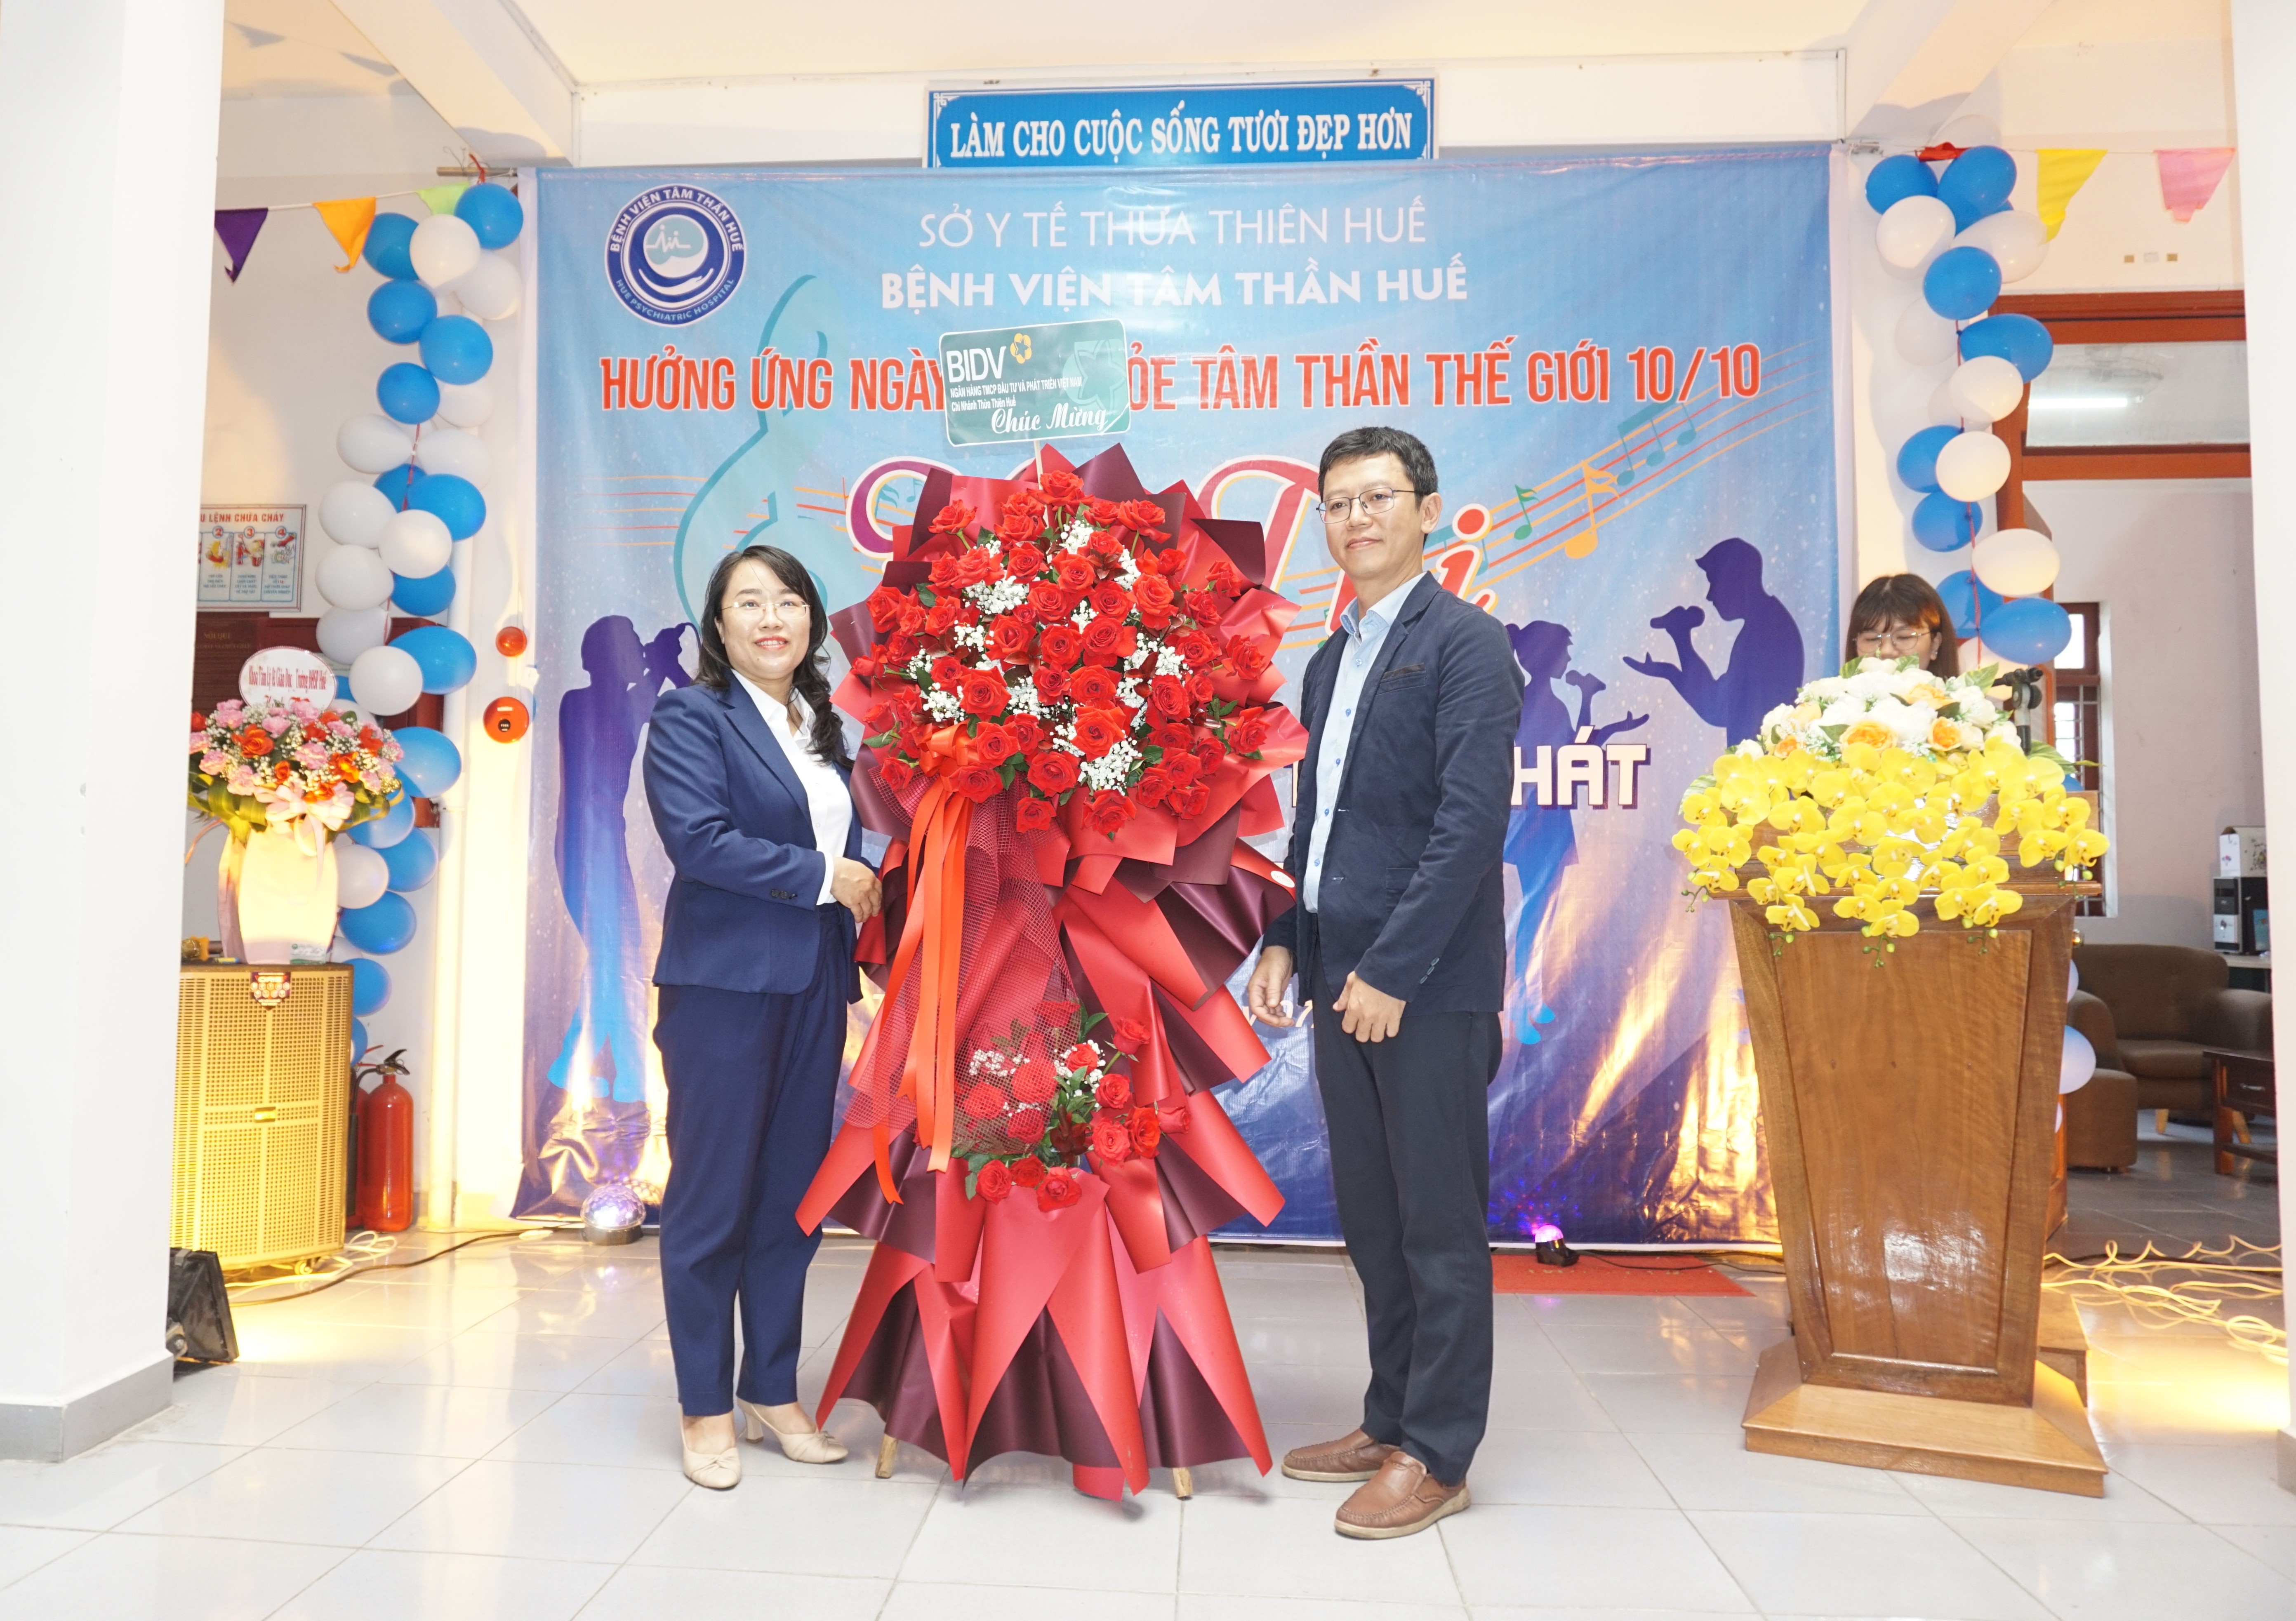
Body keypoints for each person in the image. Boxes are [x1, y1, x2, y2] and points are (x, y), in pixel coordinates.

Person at [1246, 426, 1524, 1539]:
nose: (1354, 518)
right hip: (1341, 978)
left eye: (1377, 496)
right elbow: (1315, 826)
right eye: (1337, 502)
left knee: (1437, 1225)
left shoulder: (1466, 644)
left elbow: (1468, 827)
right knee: (1374, 1217)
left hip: (1425, 988)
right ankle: (1389, 1415)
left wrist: (1390, 969)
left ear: (1426, 509)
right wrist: (1285, 937)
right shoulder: (1331, 658)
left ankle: (1437, 1453)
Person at [641, 543, 883, 1490]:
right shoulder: (691, 716)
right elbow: (700, 841)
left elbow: (855, 859)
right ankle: (704, 1405)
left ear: (812, 622)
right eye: (749, 602)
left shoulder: (823, 729)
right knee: (711, 1202)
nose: (771, 618)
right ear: (719, 624)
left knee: (791, 1200)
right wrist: (827, 876)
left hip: (815, 982)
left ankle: (771, 1389)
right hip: (723, 989)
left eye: (788, 601)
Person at [1503, 621, 1646, 1045]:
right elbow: (1570, 754)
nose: (1568, 657)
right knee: (1533, 914)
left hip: (1547, 822)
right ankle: (1518, 1006)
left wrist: (1601, 716)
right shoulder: (1533, 703)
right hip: (1534, 825)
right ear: (1546, 656)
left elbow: (1574, 751)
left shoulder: (1547, 702)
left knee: (1543, 913)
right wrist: (1588, 701)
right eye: (1563, 651)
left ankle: (1532, 997)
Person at [1623, 536, 1804, 743]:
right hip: (1759, 759)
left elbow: (1718, 707)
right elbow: (1720, 704)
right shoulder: (1766, 623)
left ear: (1736, 581)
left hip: (1764, 760)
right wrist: (1675, 659)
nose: (1710, 596)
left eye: (1714, 582)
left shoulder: (1769, 631)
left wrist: (1675, 659)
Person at [1843, 572, 1962, 676]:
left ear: (1935, 645)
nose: (1886, 652)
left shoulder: (1963, 695)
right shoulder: (1836, 695)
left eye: (1904, 637)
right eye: (1872, 639)